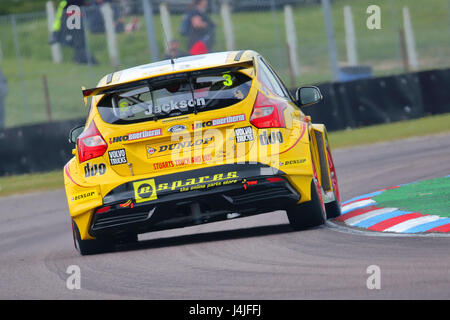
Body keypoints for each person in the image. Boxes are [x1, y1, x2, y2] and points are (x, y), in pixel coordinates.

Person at [50, 0, 98, 64]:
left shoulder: (65, 3)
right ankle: (83, 59)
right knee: (77, 42)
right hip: (71, 20)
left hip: (74, 19)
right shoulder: (65, 3)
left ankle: (82, 59)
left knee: (79, 42)